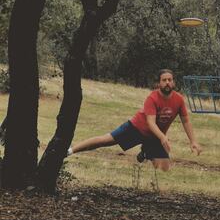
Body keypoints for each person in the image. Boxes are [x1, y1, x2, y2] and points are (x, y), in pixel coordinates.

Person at [67, 69, 202, 171]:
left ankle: (145, 152)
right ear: (158, 83)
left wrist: (193, 141)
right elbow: (150, 122)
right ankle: (70, 150)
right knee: (105, 140)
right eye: (164, 80)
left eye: (170, 80)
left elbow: (185, 120)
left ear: (174, 82)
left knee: (164, 167)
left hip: (155, 136)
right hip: (136, 128)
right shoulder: (152, 98)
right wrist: (162, 137)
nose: (167, 83)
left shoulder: (178, 99)